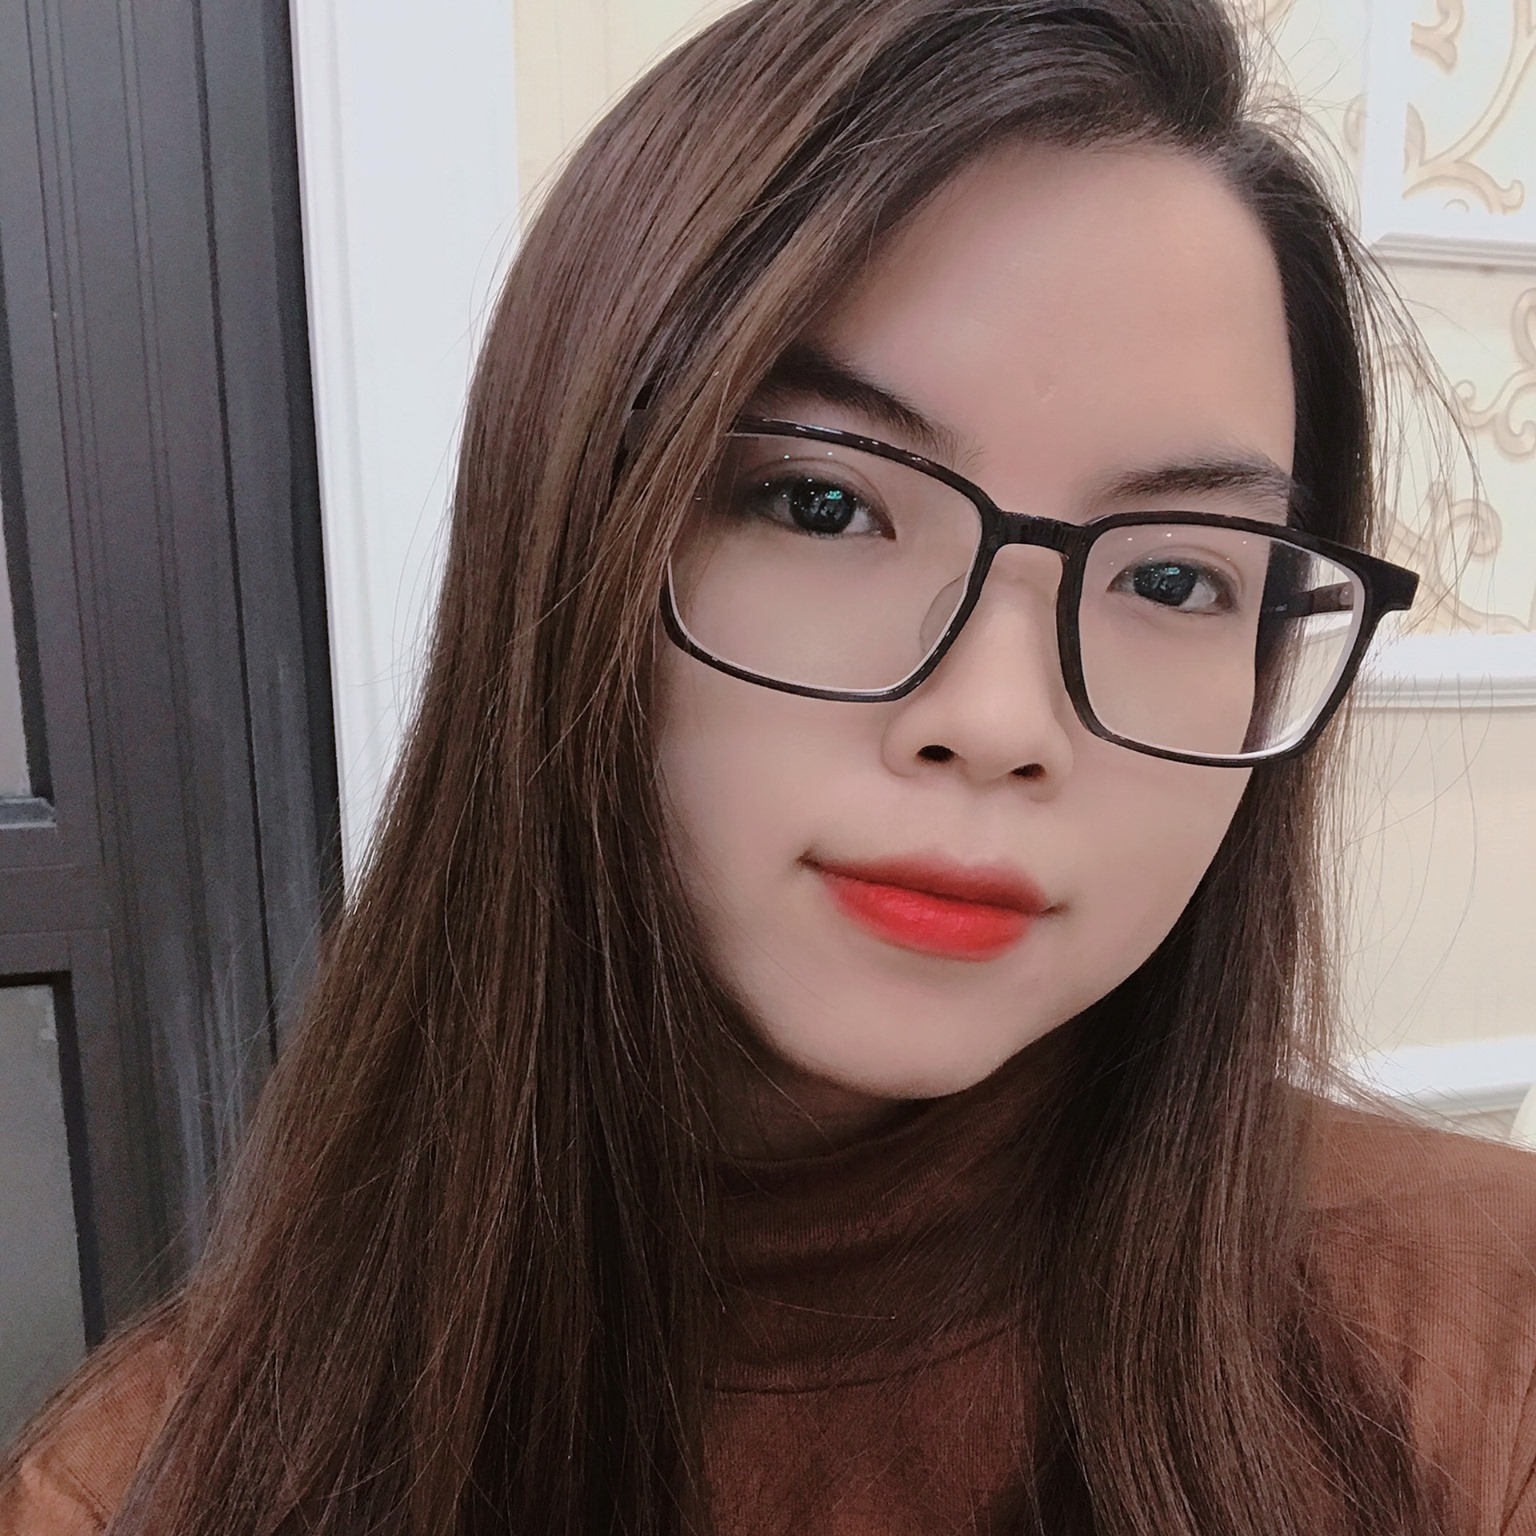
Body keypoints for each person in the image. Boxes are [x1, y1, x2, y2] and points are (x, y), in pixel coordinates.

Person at [4, 0, 1535, 1531]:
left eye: (1176, 577)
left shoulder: (1484, 1353)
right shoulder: (160, 1481)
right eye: (822, 504)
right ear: (573, 533)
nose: (999, 721)